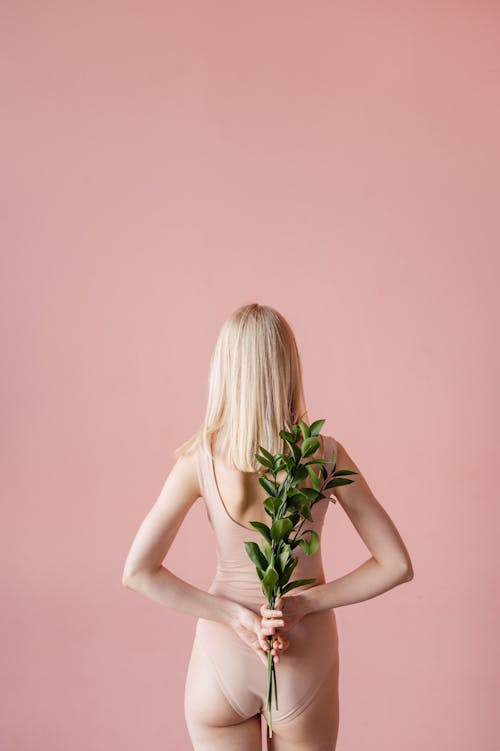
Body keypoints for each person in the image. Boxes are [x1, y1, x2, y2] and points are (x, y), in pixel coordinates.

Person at [122, 303, 414, 750]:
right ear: (288, 369)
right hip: (302, 655)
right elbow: (396, 564)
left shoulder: (198, 461)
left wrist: (234, 616)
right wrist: (303, 603)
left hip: (221, 659)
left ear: (225, 371)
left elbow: (137, 572)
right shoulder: (325, 456)